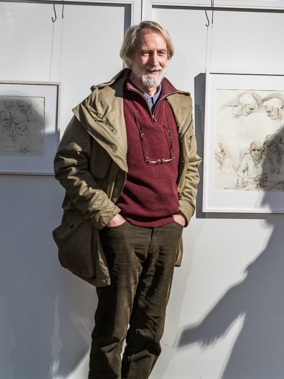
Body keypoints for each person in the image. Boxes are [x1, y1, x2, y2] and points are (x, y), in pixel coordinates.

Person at [53, 20, 201, 379]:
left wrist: (182, 212)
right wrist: (109, 217)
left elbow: (191, 164)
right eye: (146, 52)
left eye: (161, 52)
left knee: (150, 332)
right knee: (112, 331)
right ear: (130, 56)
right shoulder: (102, 102)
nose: (154, 60)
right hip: (123, 231)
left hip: (167, 231)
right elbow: (68, 163)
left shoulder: (178, 103)